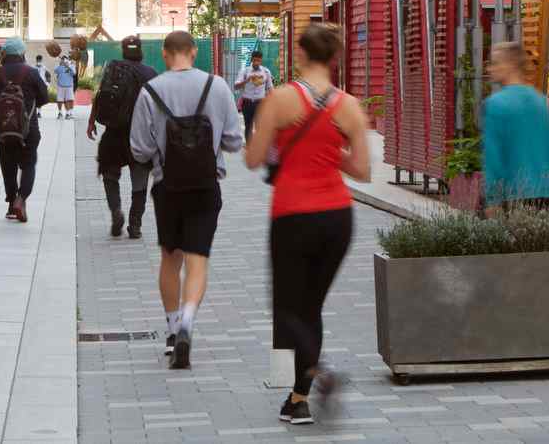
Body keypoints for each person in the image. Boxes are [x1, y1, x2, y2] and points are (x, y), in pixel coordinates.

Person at [243, 22, 370, 425]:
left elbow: (252, 158)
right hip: (337, 217)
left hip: (293, 214)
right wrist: (331, 153)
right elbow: (363, 170)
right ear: (334, 58)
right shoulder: (349, 105)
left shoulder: (280, 99)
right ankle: (298, 399)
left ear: (299, 54)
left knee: (287, 307)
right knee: (310, 306)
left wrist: (278, 144)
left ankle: (321, 373)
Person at [129, 30, 242, 371]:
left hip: (168, 187)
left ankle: (171, 328)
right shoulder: (217, 86)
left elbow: (140, 149)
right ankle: (189, 322)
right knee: (197, 259)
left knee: (170, 257)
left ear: (165, 54)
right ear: (193, 52)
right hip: (206, 186)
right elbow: (234, 141)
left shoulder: (150, 91)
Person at [87, 35, 156, 238]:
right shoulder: (150, 73)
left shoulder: (114, 68)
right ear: (141, 51)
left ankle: (116, 210)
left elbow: (100, 95)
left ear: (123, 51)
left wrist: (91, 121)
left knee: (110, 174)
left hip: (114, 133)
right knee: (139, 180)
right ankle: (135, 225)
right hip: (140, 135)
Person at [481, 41, 549, 213]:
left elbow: (494, 157)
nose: (489, 69)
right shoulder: (542, 103)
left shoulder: (495, 104)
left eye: (495, 63)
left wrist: (493, 199)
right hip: (543, 193)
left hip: (511, 194)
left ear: (510, 65)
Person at [0, 38, 52, 221]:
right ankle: (21, 199)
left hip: (4, 129)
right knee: (28, 164)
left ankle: (11, 204)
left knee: (8, 166)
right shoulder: (31, 72)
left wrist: (5, 111)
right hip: (28, 130)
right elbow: (44, 98)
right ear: (21, 53)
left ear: (5, 54)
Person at [237, 51, 273, 141]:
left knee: (260, 127)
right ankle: (249, 146)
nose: (256, 63)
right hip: (247, 103)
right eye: (254, 60)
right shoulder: (245, 71)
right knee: (248, 126)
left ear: (261, 60)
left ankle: (259, 146)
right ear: (251, 60)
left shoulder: (266, 72)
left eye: (258, 60)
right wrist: (247, 80)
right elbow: (236, 86)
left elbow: (270, 88)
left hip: (260, 103)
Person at [54, 54, 77, 119]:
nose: (63, 60)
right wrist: (60, 64)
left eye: (64, 59)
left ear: (67, 60)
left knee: (69, 99)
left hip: (69, 86)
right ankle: (60, 113)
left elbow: (74, 73)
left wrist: (68, 66)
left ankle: (69, 113)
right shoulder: (59, 66)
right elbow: (55, 71)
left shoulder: (71, 65)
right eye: (62, 59)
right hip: (60, 86)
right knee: (59, 100)